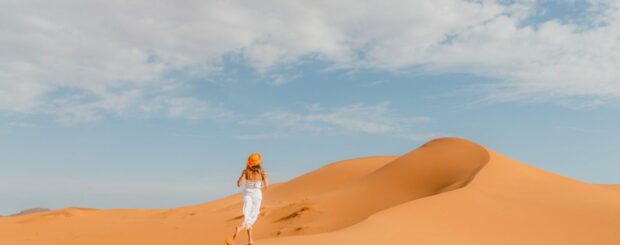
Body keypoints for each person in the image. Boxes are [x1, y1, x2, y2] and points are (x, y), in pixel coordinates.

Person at [226, 152, 269, 245]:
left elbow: (239, 184)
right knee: (253, 215)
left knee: (247, 216)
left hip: (247, 193)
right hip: (256, 194)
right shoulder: (262, 172)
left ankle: (250, 241)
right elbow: (266, 186)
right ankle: (240, 228)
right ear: (258, 162)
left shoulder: (245, 171)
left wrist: (244, 176)